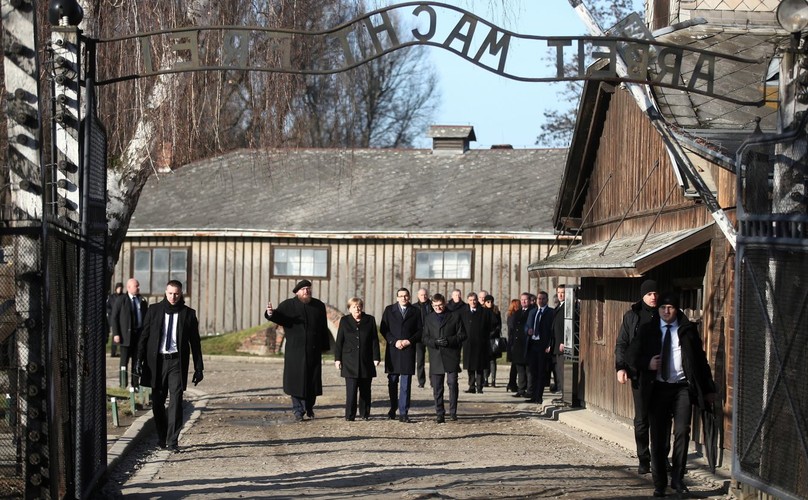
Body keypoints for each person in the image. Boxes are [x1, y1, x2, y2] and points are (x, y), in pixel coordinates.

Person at [631, 293, 716, 497]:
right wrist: (647, 363)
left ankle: (678, 478)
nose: (666, 311)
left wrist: (709, 389)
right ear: (658, 310)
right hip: (657, 388)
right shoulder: (647, 330)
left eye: (670, 307)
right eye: (662, 308)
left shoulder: (687, 331)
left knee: (681, 432)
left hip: (682, 388)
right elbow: (631, 356)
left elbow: (700, 361)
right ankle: (659, 482)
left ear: (677, 309)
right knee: (658, 438)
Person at [136, 280, 203, 452]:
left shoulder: (188, 314)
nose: (173, 297)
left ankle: (173, 441)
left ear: (181, 294)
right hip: (157, 362)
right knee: (158, 403)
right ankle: (162, 436)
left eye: (177, 294)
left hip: (176, 363)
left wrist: (198, 367)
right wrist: (138, 360)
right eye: (170, 293)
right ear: (165, 292)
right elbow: (144, 337)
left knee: (175, 401)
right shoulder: (154, 310)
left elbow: (195, 343)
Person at [265, 279, 331, 422]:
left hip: (313, 350)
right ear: (297, 292)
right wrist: (270, 313)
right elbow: (278, 317)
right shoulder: (288, 305)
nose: (306, 291)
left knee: (312, 381)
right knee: (296, 382)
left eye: (308, 288)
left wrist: (325, 346)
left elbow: (323, 327)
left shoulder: (318, 305)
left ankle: (309, 406)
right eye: (303, 289)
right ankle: (298, 410)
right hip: (295, 351)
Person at [615, 279, 662, 475]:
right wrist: (620, 367)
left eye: (655, 294)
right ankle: (644, 458)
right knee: (642, 418)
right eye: (650, 294)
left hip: (663, 375)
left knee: (661, 418)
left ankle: (660, 457)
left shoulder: (664, 314)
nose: (653, 297)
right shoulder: (632, 316)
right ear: (643, 295)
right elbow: (622, 344)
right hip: (640, 374)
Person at [422, 293, 466, 423]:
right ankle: (439, 413)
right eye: (435, 306)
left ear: (445, 303)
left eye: (440, 305)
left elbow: (462, 335)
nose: (438, 308)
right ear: (432, 305)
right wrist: (435, 342)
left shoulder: (455, 316)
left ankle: (453, 411)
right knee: (437, 386)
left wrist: (449, 340)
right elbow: (424, 337)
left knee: (452, 383)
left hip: (451, 354)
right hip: (436, 355)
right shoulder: (429, 318)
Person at [335, 297, 380, 421]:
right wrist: (337, 359)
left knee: (365, 389)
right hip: (349, 361)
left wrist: (376, 357)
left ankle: (365, 414)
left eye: (359, 306)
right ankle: (350, 415)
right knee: (351, 390)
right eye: (354, 307)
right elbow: (339, 341)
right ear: (349, 309)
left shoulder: (369, 320)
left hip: (366, 360)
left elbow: (374, 340)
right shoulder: (344, 321)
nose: (357, 309)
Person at [380, 288, 422, 422]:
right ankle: (393, 408)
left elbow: (420, 330)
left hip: (408, 350)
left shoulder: (415, 311)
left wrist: (409, 341)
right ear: (397, 297)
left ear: (409, 297)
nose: (403, 298)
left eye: (406, 296)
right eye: (401, 296)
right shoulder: (389, 310)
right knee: (392, 382)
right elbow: (383, 328)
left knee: (406, 384)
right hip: (393, 350)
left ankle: (404, 413)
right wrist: (394, 341)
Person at [110, 278, 148, 387]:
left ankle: (135, 385)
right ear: (129, 287)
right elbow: (114, 317)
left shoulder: (141, 300)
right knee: (124, 361)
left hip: (138, 335)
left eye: (138, 286)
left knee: (137, 361)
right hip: (125, 336)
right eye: (136, 286)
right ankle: (123, 384)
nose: (138, 288)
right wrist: (116, 333)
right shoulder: (122, 300)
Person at [459, 292, 494, 394]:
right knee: (470, 366)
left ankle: (479, 387)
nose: (473, 302)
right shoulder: (464, 313)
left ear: (477, 300)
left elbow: (490, 326)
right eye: (470, 300)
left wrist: (485, 337)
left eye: (474, 300)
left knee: (479, 366)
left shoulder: (484, 312)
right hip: (468, 343)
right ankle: (471, 386)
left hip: (480, 343)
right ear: (467, 301)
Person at [524, 290, 554, 405]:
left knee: (541, 372)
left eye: (543, 299)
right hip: (533, 344)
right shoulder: (532, 312)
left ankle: (538, 396)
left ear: (547, 300)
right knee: (532, 372)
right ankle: (532, 394)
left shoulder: (550, 312)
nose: (540, 301)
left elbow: (552, 331)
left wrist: (549, 345)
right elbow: (526, 326)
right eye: (539, 299)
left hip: (543, 345)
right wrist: (528, 331)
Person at [509, 293, 533, 398]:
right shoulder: (517, 313)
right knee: (520, 369)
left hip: (527, 344)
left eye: (525, 300)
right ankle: (521, 389)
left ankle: (530, 390)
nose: (523, 302)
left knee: (529, 370)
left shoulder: (532, 312)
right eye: (522, 300)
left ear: (529, 301)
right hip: (517, 345)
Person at [413, 288, 432, 388]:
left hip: (431, 336)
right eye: (421, 295)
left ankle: (433, 381)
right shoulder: (413, 307)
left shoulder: (432, 306)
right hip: (419, 337)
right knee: (420, 360)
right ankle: (421, 382)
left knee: (433, 360)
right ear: (418, 296)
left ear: (427, 295)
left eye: (425, 295)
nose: (423, 297)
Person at [482, 295, 502, 387]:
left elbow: (499, 325)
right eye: (488, 302)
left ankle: (493, 380)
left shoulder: (496, 311)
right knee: (485, 360)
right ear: (485, 302)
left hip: (494, 339)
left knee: (492, 360)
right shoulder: (482, 311)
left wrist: (493, 333)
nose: (490, 303)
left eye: (491, 301)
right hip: (485, 338)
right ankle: (485, 379)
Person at [550, 285, 566, 398]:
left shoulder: (568, 307)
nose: (560, 295)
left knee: (562, 369)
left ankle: (564, 391)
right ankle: (560, 388)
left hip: (562, 344)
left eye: (563, 292)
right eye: (559, 292)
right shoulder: (557, 307)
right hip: (555, 343)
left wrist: (564, 341)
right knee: (557, 369)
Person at [504, 298, 521, 392]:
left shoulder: (510, 316)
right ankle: (512, 383)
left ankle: (511, 383)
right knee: (516, 365)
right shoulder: (514, 316)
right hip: (514, 343)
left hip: (512, 343)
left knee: (514, 365)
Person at [106, 282, 124, 357]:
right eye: (118, 288)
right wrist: (111, 313)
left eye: (121, 288)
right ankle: (113, 352)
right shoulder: (112, 297)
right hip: (113, 318)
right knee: (115, 334)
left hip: (121, 318)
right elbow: (108, 307)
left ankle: (121, 352)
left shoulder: (123, 297)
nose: (119, 289)